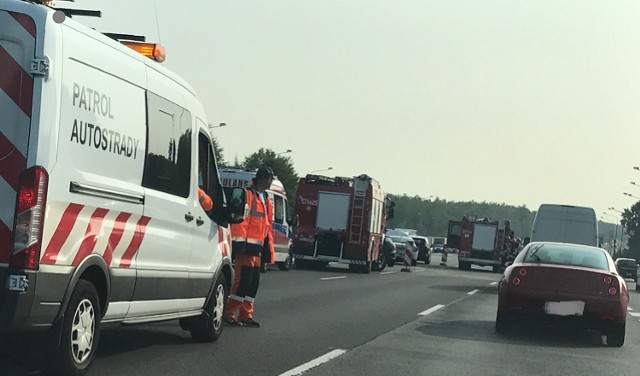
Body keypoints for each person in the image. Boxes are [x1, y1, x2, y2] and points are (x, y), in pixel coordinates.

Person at [224, 166, 275, 328]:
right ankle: (229, 313)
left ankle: (246, 315)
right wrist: (240, 244)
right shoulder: (248, 195)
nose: (271, 182)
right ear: (263, 179)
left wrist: (268, 249)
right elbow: (242, 221)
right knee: (242, 282)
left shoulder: (266, 198)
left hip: (257, 248)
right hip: (247, 247)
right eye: (270, 179)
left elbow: (267, 226)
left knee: (253, 283)